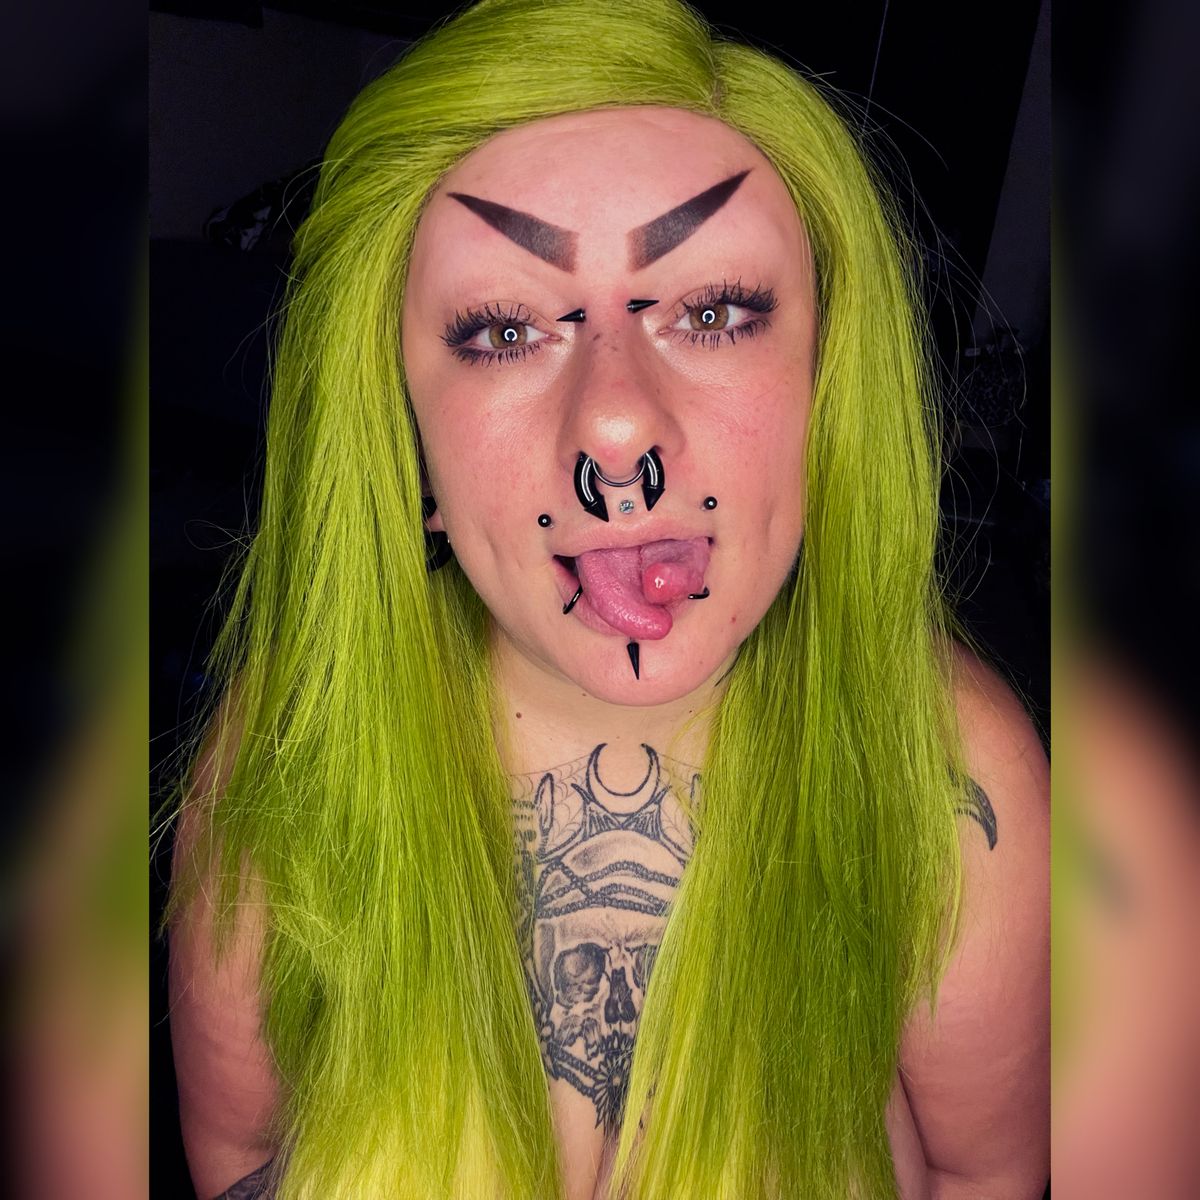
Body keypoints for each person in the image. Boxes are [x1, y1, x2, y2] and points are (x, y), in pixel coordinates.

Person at [166, 1, 1049, 1197]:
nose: (618, 425)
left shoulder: (950, 771)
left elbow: (983, 1172)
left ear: (827, 387)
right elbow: (236, 1161)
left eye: (715, 311)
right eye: (502, 331)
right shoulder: (292, 739)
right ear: (404, 439)